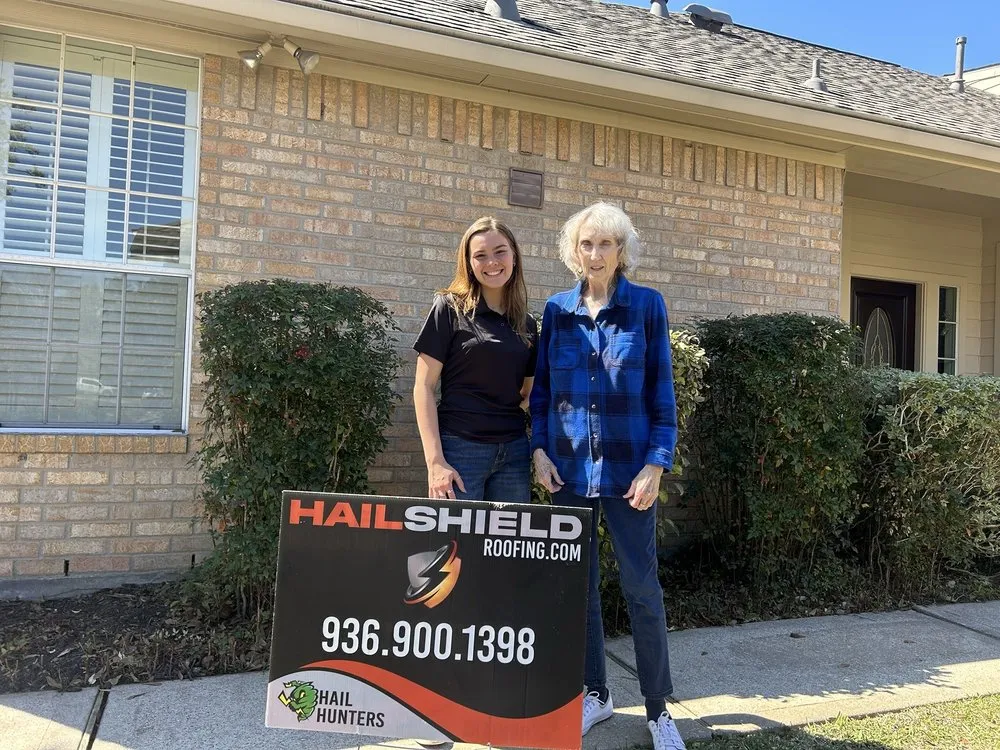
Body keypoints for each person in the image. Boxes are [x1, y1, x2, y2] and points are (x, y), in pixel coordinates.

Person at [529, 203, 685, 750]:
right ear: (574, 251)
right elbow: (544, 391)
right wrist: (539, 450)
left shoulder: (646, 307)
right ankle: (594, 695)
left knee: (642, 589)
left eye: (606, 245)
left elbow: (661, 394)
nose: (595, 255)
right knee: (579, 590)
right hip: (568, 473)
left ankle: (658, 709)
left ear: (622, 251)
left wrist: (655, 464)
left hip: (628, 474)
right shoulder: (556, 311)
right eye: (586, 244)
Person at [412, 216, 537, 504]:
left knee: (506, 547)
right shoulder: (448, 309)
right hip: (460, 450)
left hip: (514, 453)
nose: (492, 262)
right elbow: (423, 387)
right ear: (469, 263)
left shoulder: (526, 324)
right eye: (480, 255)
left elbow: (527, 393)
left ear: (514, 256)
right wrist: (435, 462)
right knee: (457, 545)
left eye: (500, 251)